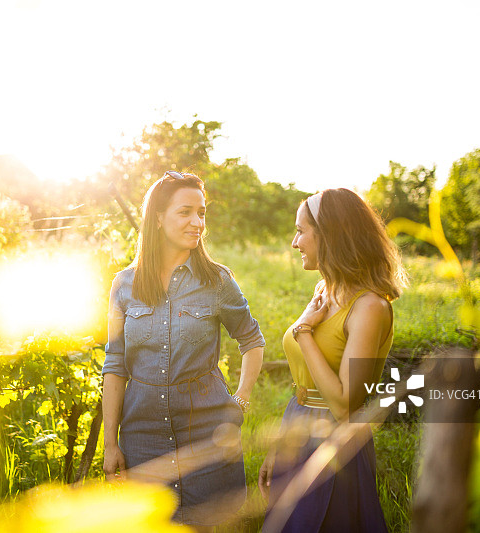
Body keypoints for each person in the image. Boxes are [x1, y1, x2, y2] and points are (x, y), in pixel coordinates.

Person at [102, 170, 265, 528]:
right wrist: (110, 442)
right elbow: (114, 365)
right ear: (158, 218)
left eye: (202, 213)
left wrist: (240, 399)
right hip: (142, 436)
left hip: (208, 433)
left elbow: (251, 340)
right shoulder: (124, 284)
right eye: (185, 212)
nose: (197, 222)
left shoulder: (218, 280)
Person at [258, 188, 406, 533]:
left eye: (300, 231)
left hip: (334, 444)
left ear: (329, 236)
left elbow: (343, 404)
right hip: (298, 426)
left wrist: (304, 334)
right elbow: (305, 387)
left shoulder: (370, 307)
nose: (295, 242)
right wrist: (279, 448)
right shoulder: (325, 289)